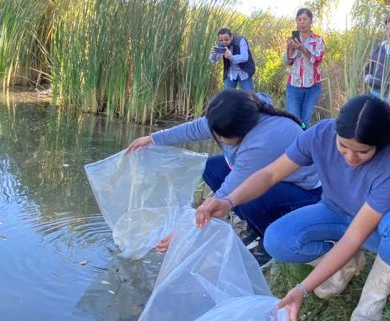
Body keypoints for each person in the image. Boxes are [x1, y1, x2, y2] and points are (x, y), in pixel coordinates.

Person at [193, 95, 390, 321]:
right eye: (343, 147)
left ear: (379, 144)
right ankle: (344, 267)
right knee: (276, 239)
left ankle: (372, 299)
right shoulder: (322, 134)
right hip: (334, 210)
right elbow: (271, 174)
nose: (350, 158)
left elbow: (354, 236)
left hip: (374, 227)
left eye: (362, 152)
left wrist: (302, 289)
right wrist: (228, 201)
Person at [127, 89, 321, 265]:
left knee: (246, 198)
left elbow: (227, 194)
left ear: (241, 131)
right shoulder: (240, 112)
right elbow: (195, 129)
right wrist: (153, 139)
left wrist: (182, 234)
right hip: (273, 179)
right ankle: (254, 225)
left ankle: (267, 238)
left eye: (220, 137)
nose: (217, 139)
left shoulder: (262, 142)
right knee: (212, 167)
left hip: (306, 193)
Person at [283, 7, 326, 128]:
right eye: (299, 19)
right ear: (296, 21)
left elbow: (318, 60)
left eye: (305, 19)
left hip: (313, 85)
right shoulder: (292, 39)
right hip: (294, 84)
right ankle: (293, 144)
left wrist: (302, 48)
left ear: (311, 21)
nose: (302, 22)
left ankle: (303, 144)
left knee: (305, 120)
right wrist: (290, 48)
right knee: (293, 119)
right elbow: (286, 62)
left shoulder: (318, 40)